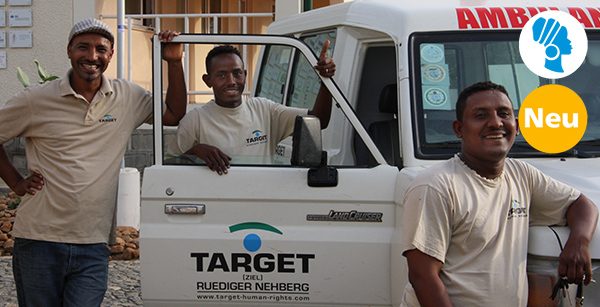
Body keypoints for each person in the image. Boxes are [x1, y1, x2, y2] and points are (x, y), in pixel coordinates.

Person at [0, 18, 186, 306]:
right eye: (83, 48)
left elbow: (174, 114)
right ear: (69, 51)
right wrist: (16, 182)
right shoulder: (35, 99)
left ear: (111, 55)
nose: (92, 56)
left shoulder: (127, 97)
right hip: (39, 240)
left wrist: (174, 62)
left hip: (93, 243)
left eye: (101, 49)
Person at [401, 81, 598, 306]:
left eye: (504, 114)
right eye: (481, 115)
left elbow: (582, 204)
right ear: (459, 129)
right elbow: (422, 276)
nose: (495, 123)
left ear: (516, 124)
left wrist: (579, 243)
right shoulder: (435, 185)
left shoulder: (521, 174)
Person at [167, 41, 336, 175]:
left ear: (245, 75)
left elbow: (318, 120)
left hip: (259, 202)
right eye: (221, 75)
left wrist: (325, 80)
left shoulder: (265, 110)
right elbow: (168, 168)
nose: (231, 81)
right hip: (215, 208)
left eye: (237, 73)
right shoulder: (195, 120)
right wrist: (195, 152)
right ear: (208, 80)